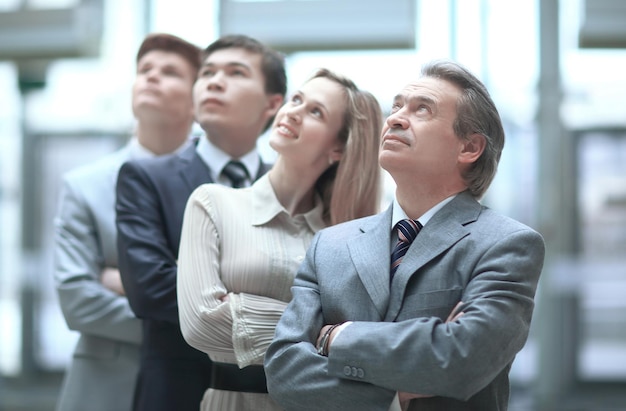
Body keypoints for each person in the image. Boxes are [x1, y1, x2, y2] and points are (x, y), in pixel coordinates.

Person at [264, 60, 546, 411]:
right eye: (396, 106)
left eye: (422, 110)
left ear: (469, 148)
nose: (395, 118)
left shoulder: (507, 244)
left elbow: (459, 361)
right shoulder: (329, 245)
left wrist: (338, 337)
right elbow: (283, 373)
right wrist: (395, 393)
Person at [176, 68, 382, 411]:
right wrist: (324, 332)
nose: (294, 111)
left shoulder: (344, 240)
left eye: (315, 111)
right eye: (296, 99)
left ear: (338, 149)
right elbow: (201, 324)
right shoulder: (212, 203)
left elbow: (367, 340)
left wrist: (240, 307)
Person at [115, 34, 286, 411]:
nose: (214, 80)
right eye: (207, 72)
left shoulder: (290, 187)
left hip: (274, 393)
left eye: (236, 72)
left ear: (273, 104)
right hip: (177, 392)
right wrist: (282, 306)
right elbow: (149, 289)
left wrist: (209, 288)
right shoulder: (145, 177)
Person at [53, 33, 201, 411]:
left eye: (170, 72)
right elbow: (77, 301)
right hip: (105, 391)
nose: (152, 77)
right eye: (144, 70)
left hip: (197, 387)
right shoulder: (83, 186)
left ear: (197, 99)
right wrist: (196, 322)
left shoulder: (220, 184)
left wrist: (127, 282)